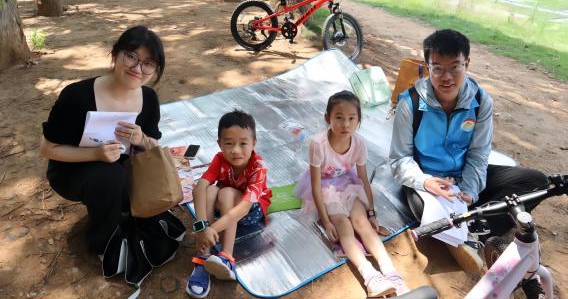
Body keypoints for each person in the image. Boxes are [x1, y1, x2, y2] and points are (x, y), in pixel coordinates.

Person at [389, 29, 549, 279]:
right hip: (429, 182)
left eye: (455, 67)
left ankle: (472, 231)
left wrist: (470, 191)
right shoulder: (410, 103)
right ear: (428, 66)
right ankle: (465, 229)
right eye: (437, 68)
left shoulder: (480, 101)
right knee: (422, 210)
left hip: (463, 176)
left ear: (467, 64)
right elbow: (400, 159)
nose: (446, 77)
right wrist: (425, 182)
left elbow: (479, 153)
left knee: (535, 181)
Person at [40, 25, 165, 255]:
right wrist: (96, 154)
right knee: (111, 176)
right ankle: (104, 242)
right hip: (73, 170)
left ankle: (122, 209)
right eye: (131, 56)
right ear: (115, 54)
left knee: (138, 178)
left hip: (124, 168)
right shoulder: (77, 96)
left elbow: (153, 147)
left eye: (148, 63)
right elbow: (47, 149)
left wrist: (141, 138)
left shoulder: (149, 98)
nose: (138, 68)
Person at [295, 91, 409, 297]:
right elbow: (315, 184)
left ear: (358, 120)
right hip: (325, 188)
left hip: (348, 184)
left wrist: (372, 212)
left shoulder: (358, 144)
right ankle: (370, 276)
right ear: (327, 118)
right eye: (339, 117)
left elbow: (363, 178)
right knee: (343, 225)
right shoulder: (318, 144)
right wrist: (326, 221)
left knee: (362, 222)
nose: (345, 124)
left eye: (351, 118)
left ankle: (391, 272)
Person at [186, 110, 272, 299]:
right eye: (229, 143)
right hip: (225, 209)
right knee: (210, 190)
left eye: (243, 143)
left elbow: (243, 208)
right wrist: (202, 227)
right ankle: (204, 255)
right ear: (220, 144)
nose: (236, 150)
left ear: (254, 143)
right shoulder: (219, 159)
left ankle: (227, 258)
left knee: (225, 192)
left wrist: (212, 228)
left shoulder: (258, 167)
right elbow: (199, 188)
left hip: (250, 212)